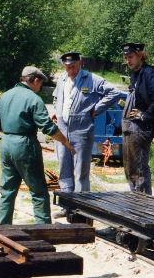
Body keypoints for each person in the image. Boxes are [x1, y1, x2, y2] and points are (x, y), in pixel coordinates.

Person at [0, 66, 75, 224]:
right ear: (35, 80)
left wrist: (9, 130)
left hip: (6, 143)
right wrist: (66, 142)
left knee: (7, 189)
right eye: (40, 84)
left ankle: (3, 226)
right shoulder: (33, 99)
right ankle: (44, 228)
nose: (40, 87)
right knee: (39, 191)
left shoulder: (6, 95)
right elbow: (47, 127)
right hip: (25, 145)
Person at [51, 51, 121, 195]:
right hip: (62, 131)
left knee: (81, 171)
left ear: (80, 63)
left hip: (82, 131)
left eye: (73, 66)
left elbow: (114, 92)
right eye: (67, 67)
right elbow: (56, 97)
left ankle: (80, 209)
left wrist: (97, 109)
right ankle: (67, 205)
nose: (71, 70)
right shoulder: (62, 79)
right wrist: (57, 111)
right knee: (64, 169)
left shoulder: (91, 79)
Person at [121, 42, 154, 195]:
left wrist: (144, 115)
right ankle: (136, 201)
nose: (128, 61)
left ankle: (143, 206)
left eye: (131, 57)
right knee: (130, 167)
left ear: (140, 56)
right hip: (131, 127)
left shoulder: (150, 73)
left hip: (142, 129)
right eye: (126, 58)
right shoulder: (135, 74)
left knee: (139, 169)